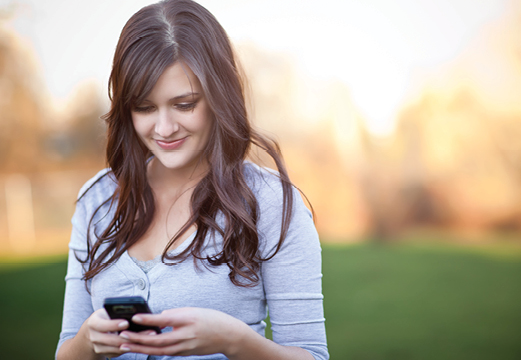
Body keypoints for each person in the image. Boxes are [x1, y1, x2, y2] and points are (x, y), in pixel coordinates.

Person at [55, 0, 328, 359]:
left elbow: (312, 355)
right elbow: (66, 352)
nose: (164, 129)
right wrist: (88, 341)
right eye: (145, 107)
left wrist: (235, 342)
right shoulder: (97, 199)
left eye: (184, 104)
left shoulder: (272, 202)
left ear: (219, 97)